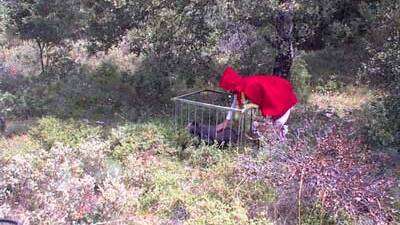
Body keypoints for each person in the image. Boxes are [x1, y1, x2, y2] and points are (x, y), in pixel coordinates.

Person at [216, 66, 298, 139]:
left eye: (228, 89)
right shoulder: (241, 85)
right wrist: (226, 122)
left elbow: (237, 105)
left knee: (272, 130)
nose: (229, 91)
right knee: (270, 129)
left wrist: (226, 123)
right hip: (281, 100)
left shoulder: (247, 86)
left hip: (281, 102)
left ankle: (277, 147)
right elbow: (235, 104)